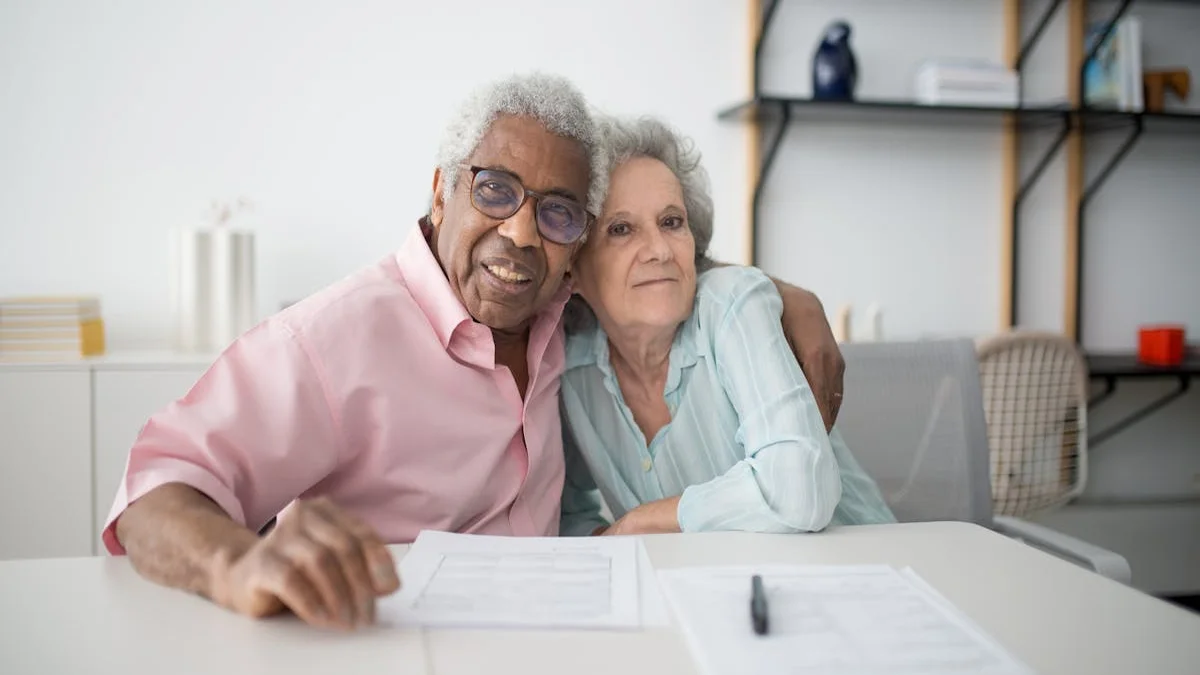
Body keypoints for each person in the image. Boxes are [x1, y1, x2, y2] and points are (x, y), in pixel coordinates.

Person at [103, 73, 846, 631]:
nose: (522, 233)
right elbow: (154, 490)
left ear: (573, 244)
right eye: (495, 190)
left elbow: (646, 264)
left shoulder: (562, 314)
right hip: (389, 643)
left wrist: (773, 292)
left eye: (556, 212)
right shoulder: (334, 338)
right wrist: (237, 564)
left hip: (574, 637)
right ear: (439, 194)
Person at [558, 114, 895, 537]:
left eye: (671, 222)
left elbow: (800, 491)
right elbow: (569, 516)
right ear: (572, 265)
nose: (659, 250)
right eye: (621, 229)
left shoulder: (733, 304)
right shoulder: (571, 369)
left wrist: (639, 523)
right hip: (707, 593)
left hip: (864, 571)